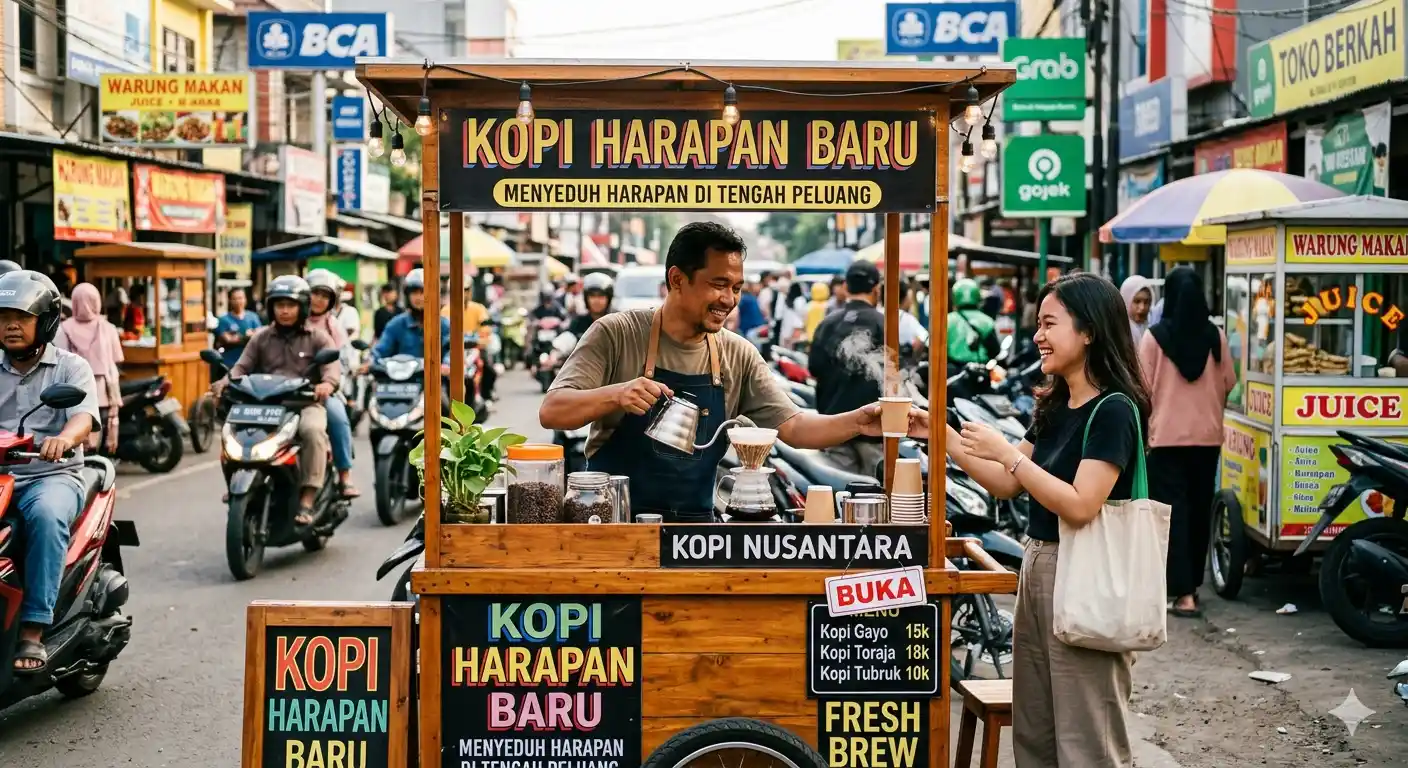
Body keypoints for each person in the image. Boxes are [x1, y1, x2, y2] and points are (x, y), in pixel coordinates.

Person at [540, 221, 917, 522]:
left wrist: (859, 421)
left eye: (736, 287)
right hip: (615, 527)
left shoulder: (738, 354)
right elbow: (553, 411)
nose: (729, 299)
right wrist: (617, 394)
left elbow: (796, 428)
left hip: (696, 535)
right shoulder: (616, 333)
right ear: (677, 279)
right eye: (718, 285)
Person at [941, 272, 1147, 767]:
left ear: (1089, 330)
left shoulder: (1114, 410)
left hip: (1085, 571)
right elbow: (1007, 483)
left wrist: (1007, 454)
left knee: (1087, 740)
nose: (1038, 336)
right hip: (1039, 565)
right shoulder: (1056, 403)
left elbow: (1080, 503)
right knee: (1035, 731)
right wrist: (938, 434)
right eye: (1038, 325)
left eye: (1049, 324)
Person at [0, 271, 100, 673]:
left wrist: (64, 439)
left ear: (44, 322)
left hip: (49, 475)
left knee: (45, 516)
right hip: (2, 477)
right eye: (4, 317)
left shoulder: (70, 367)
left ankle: (33, 628)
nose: (10, 325)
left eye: (21, 317)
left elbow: (83, 417)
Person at [1140, 267, 1234, 618]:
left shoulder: (1154, 338)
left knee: (1171, 515)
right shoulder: (1216, 336)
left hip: (1165, 441)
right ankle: (1192, 586)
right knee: (1197, 511)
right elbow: (1229, 382)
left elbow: (1141, 387)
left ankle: (1181, 593)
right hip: (1207, 440)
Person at [218, 276, 340, 525]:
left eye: (290, 305)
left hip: (304, 404)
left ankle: (307, 498)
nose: (284, 311)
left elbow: (331, 370)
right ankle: (235, 483)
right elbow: (241, 367)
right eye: (279, 305)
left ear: (302, 307)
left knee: (313, 431)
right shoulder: (260, 337)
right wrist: (223, 382)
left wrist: (327, 384)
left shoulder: (318, 338)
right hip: (263, 405)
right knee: (231, 432)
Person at [808, 261, 886, 475]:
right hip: (875, 428)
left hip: (835, 427)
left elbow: (814, 368)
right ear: (876, 289)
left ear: (846, 286)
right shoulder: (884, 323)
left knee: (841, 488)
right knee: (876, 490)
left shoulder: (828, 323)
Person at [305, 269, 359, 498]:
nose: (318, 299)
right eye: (314, 293)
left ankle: (345, 475)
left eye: (324, 295)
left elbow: (343, 359)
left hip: (324, 390)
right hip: (285, 389)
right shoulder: (291, 320)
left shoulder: (333, 326)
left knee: (338, 418)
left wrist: (331, 382)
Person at [54, 283, 123, 454]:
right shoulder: (108, 328)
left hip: (73, 391)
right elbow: (117, 358)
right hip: (104, 392)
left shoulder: (63, 329)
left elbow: (59, 360)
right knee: (102, 432)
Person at [373, 268, 452, 369]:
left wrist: (446, 365)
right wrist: (370, 362)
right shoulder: (396, 324)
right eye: (414, 292)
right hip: (402, 378)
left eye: (422, 292)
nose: (418, 297)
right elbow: (380, 350)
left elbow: (452, 350)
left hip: (437, 377)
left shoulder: (443, 325)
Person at [947, 278, 1001, 372]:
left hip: (953, 372)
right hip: (980, 372)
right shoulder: (987, 321)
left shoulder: (947, 320)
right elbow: (995, 351)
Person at [215, 287, 262, 369]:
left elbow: (260, 336)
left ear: (245, 299)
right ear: (230, 300)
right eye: (235, 299)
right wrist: (248, 336)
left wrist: (238, 337)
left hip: (251, 364)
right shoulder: (224, 319)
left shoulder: (253, 317)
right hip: (230, 364)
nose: (238, 301)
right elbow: (227, 339)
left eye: (240, 298)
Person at [569, 273, 615, 338]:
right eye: (592, 296)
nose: (596, 301)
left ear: (609, 298)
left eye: (601, 296)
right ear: (586, 298)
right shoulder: (578, 323)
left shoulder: (615, 323)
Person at [1121, 275, 1154, 345]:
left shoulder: (1153, 332)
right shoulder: (1119, 332)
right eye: (1137, 301)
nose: (1142, 307)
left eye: (1146, 302)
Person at [777, 281, 808, 349]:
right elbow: (802, 315)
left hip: (786, 329)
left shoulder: (787, 301)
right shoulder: (800, 300)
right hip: (796, 328)